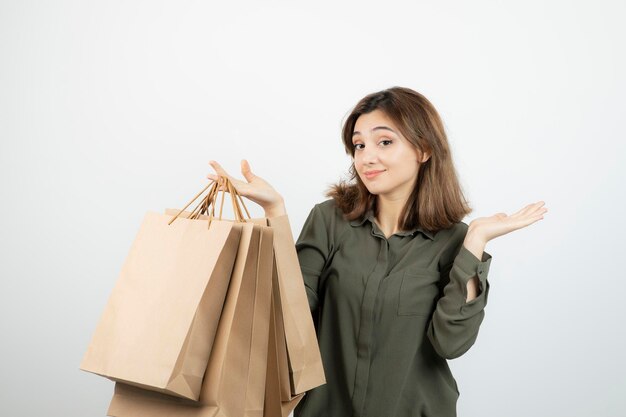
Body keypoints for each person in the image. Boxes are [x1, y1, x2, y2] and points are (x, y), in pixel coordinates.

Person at [206, 86, 548, 417]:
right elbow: (289, 320)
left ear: (424, 149)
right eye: (359, 145)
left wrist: (475, 241)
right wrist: (276, 213)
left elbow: (451, 344)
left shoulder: (453, 241)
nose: (367, 157)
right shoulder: (328, 221)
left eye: (384, 141)